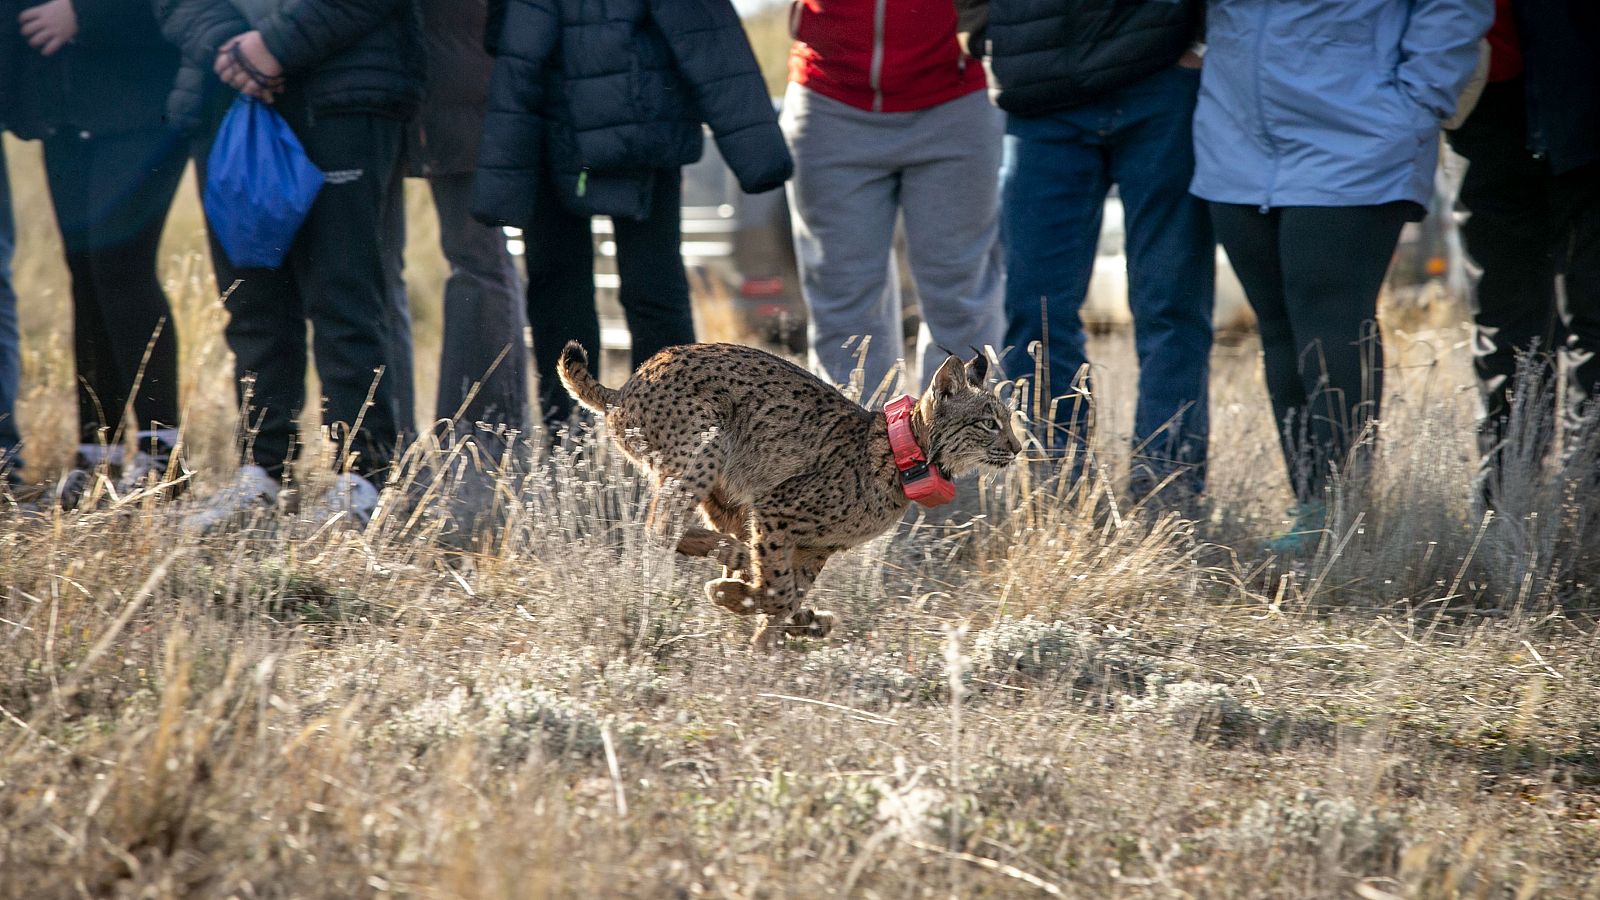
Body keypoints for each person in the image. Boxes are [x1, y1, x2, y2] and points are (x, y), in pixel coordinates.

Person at [1191, 0, 1490, 552]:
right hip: (1234, 135)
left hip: (1358, 134)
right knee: (1278, 325)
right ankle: (1312, 508)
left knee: (1328, 320)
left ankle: (1344, 515)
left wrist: (1417, 102)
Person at [157, 0, 424, 530]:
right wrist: (230, 49)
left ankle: (364, 477)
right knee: (252, 302)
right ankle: (261, 472)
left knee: (345, 298)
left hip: (345, 92)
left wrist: (274, 47)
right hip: (227, 95)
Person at [473, 0, 792, 431]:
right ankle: (659, 436)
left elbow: (504, 40)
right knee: (621, 293)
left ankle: (598, 439)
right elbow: (710, 39)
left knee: (609, 292)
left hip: (608, 132)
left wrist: (758, 152)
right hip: (624, 127)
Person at [956, 0, 1215, 504]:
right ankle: (1056, 493)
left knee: (1171, 303)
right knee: (1036, 315)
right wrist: (997, 34)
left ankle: (1167, 495)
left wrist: (1198, 42)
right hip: (1040, 95)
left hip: (1160, 77)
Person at [3, 0, 188, 506]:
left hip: (143, 103)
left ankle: (162, 457)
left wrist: (87, 14)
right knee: (83, 274)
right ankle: (96, 452)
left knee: (121, 267)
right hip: (62, 109)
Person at [783, 0, 1004, 402]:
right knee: (843, 303)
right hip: (828, 97)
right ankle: (855, 458)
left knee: (960, 298)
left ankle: (957, 458)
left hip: (957, 97)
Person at [1445, 0, 1600, 507]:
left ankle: (1586, 501)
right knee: (1509, 325)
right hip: (1492, 115)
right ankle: (1506, 499)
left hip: (1583, 102)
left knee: (1593, 319)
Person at [389, 0, 529, 453]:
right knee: (380, 269)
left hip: (467, 94)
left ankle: (481, 438)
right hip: (390, 91)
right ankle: (392, 443)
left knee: (479, 259)